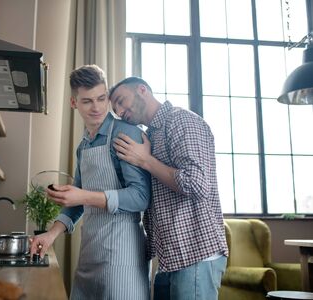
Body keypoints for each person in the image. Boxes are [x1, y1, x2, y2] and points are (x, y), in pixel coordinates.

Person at [30, 66, 151, 299]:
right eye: (87, 101)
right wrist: (51, 234)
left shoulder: (126, 134)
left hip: (122, 255)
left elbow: (141, 197)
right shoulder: (84, 145)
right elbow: (75, 202)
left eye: (101, 98)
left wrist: (83, 196)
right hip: (91, 253)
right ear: (74, 103)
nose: (96, 107)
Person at [109, 77, 228, 300]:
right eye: (115, 108)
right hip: (168, 258)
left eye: (121, 101)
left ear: (142, 90)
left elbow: (196, 184)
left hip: (196, 254)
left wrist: (145, 161)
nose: (119, 110)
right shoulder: (150, 135)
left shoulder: (182, 121)